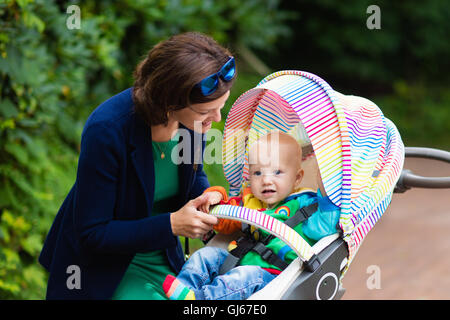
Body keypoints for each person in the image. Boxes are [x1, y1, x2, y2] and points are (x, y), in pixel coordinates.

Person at [38, 32, 236, 300]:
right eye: (206, 111)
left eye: (220, 107)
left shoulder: (191, 123)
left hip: (162, 255)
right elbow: (93, 233)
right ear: (170, 102)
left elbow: (193, 174)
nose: (216, 118)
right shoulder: (107, 130)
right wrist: (172, 225)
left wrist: (206, 196)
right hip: (105, 270)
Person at [162, 132, 341, 300]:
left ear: (297, 178)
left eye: (277, 172)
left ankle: (199, 299)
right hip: (237, 260)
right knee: (206, 255)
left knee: (244, 276)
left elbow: (326, 224)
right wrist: (215, 197)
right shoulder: (249, 201)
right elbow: (221, 222)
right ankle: (185, 287)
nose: (266, 180)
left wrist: (327, 188)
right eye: (257, 173)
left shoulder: (304, 205)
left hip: (272, 276)